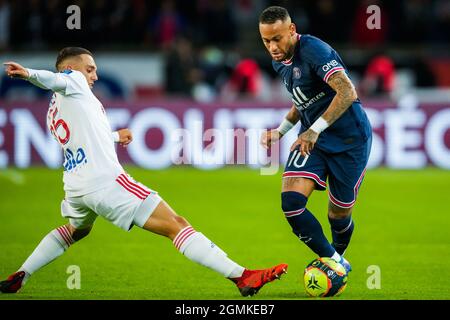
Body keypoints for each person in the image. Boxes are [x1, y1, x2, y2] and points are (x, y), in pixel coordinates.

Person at [0, 47, 287, 296]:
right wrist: (28, 73)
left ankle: (22, 274)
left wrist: (113, 137)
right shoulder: (72, 80)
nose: (94, 76)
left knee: (76, 230)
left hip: (76, 187)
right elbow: (54, 77)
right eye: (90, 69)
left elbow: (82, 136)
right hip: (106, 182)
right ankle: (242, 276)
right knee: (177, 224)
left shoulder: (56, 107)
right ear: (71, 69)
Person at [259, 7, 372, 273]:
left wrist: (315, 129)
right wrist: (281, 130)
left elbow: (347, 91)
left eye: (277, 38)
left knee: (338, 214)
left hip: (349, 140)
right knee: (292, 204)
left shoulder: (314, 51)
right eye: (266, 41)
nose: (272, 47)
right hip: (313, 140)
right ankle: (336, 263)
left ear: (292, 30)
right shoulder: (280, 61)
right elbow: (303, 99)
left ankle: (336, 256)